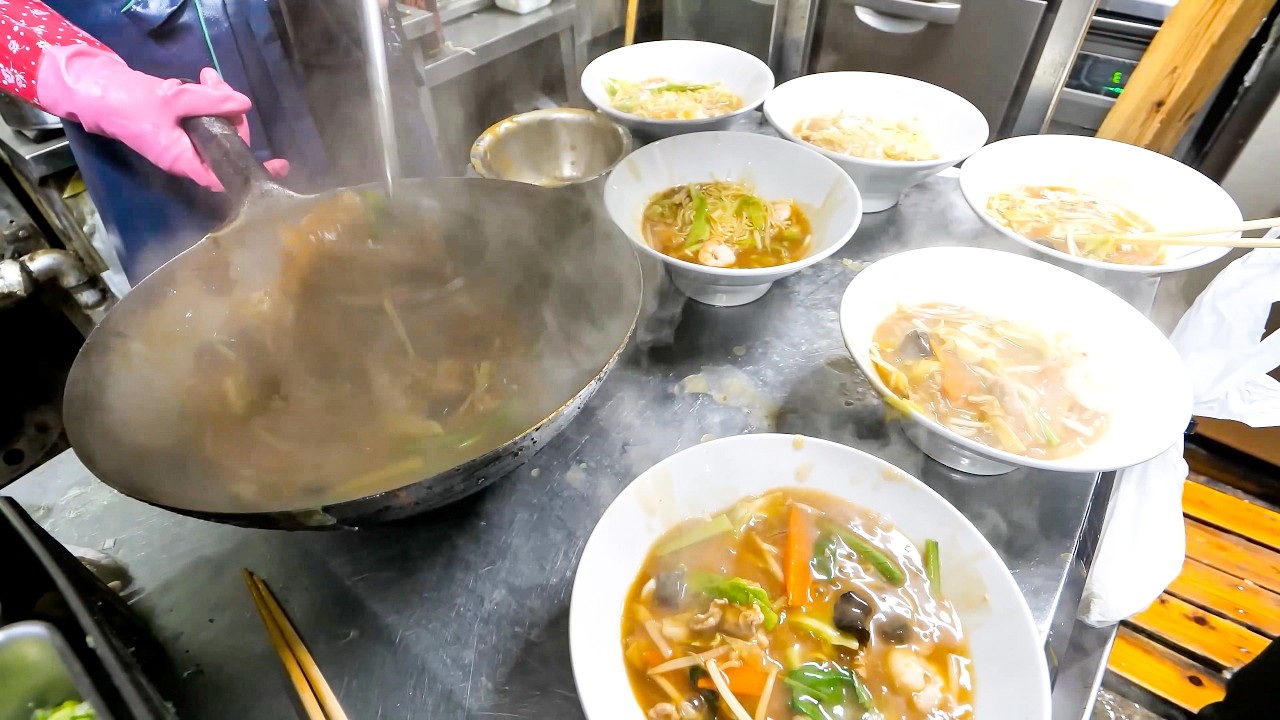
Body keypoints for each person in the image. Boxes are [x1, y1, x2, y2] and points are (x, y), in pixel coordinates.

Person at [0, 0, 440, 284]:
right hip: (142, 79)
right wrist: (85, 80)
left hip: (337, 44)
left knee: (428, 259)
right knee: (230, 334)